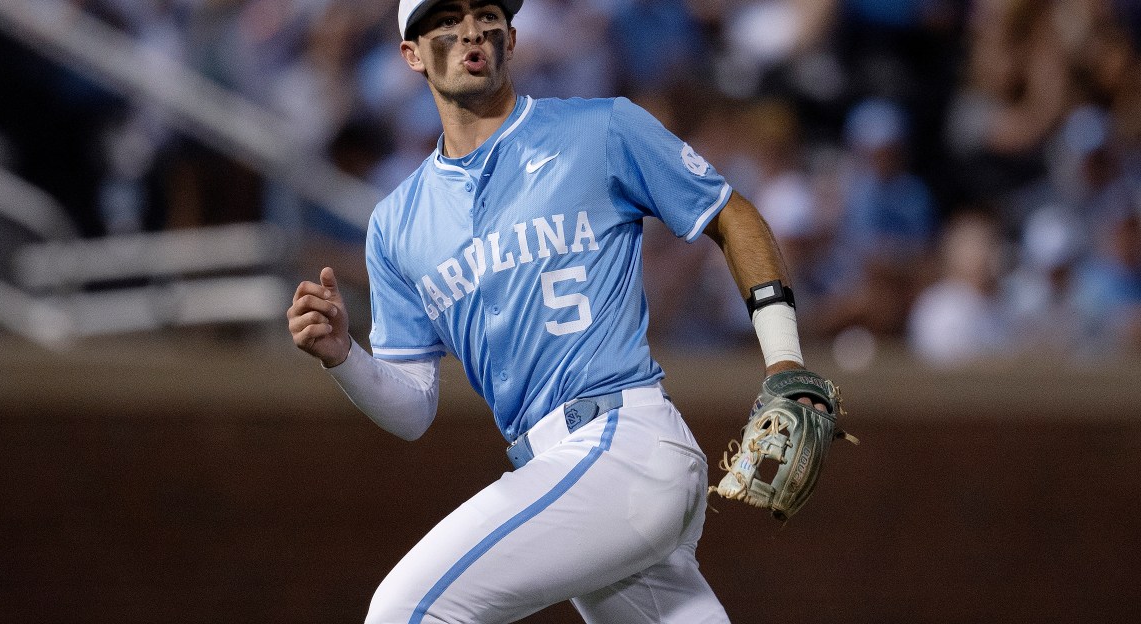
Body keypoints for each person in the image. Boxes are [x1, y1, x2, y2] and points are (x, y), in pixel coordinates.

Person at [287, 1, 828, 621]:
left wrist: (784, 360)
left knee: (405, 610)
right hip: (566, 471)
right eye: (445, 18)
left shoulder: (601, 129)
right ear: (410, 54)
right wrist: (343, 358)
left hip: (622, 442)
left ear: (511, 37)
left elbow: (732, 216)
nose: (470, 30)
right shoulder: (395, 224)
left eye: (485, 12)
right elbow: (412, 407)